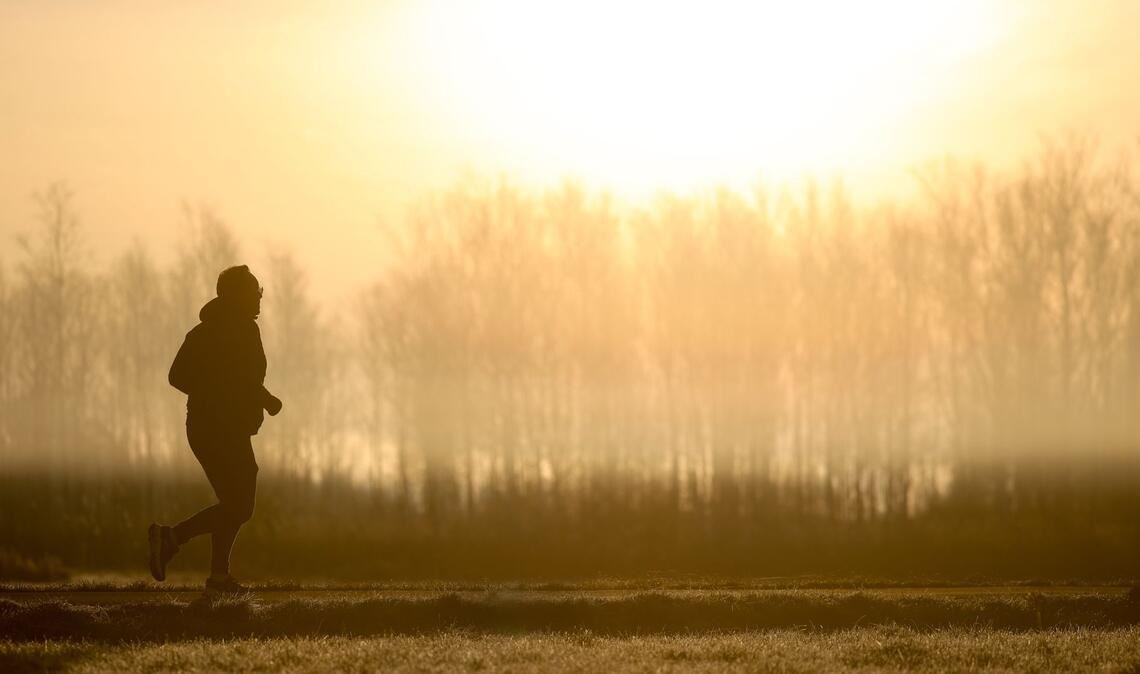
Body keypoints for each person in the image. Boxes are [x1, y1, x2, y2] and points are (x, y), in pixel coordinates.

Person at [149, 265, 283, 593]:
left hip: (221, 428)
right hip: (215, 428)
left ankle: (218, 577)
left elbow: (239, 380)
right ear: (237, 296)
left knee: (233, 503)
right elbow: (184, 377)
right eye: (254, 292)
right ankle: (172, 538)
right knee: (238, 505)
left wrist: (262, 398)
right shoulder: (221, 332)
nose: (259, 298)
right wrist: (229, 395)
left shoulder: (227, 331)